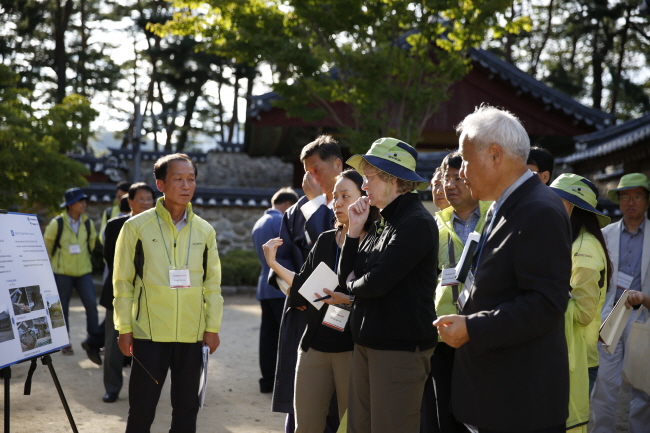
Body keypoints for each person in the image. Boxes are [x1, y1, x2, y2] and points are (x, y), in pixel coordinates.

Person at [434, 105, 572, 433]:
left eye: (466, 161)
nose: (461, 173)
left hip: (519, 401)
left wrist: (474, 327)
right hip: (498, 393)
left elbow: (546, 304)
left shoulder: (538, 209)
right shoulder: (506, 203)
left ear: (495, 155)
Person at [113, 153, 223, 433]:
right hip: (149, 334)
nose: (186, 185)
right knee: (141, 410)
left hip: (192, 335)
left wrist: (212, 327)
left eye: (191, 179)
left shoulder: (205, 231)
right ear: (160, 185)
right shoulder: (135, 227)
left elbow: (212, 284)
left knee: (187, 412)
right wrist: (124, 327)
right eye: (178, 179)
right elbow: (123, 281)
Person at [263, 170, 379, 433]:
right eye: (335, 196)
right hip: (314, 345)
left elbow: (378, 293)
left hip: (354, 348)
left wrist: (349, 299)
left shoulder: (377, 242)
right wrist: (274, 263)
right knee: (306, 425)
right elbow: (305, 287)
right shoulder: (326, 239)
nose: (337, 203)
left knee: (353, 425)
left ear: (365, 199)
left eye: (345, 196)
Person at [340, 137, 438, 433]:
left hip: (399, 349)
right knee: (360, 426)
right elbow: (349, 274)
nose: (364, 185)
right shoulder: (382, 221)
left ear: (393, 179)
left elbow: (376, 283)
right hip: (368, 342)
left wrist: (353, 285)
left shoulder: (416, 222)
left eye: (369, 177)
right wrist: (354, 231)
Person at [270, 135, 343, 433]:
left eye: (317, 169)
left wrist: (315, 204)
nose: (310, 178)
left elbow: (336, 253)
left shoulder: (355, 206)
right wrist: (296, 292)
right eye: (306, 171)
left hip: (338, 312)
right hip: (301, 312)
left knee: (337, 400)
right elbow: (281, 258)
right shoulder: (293, 212)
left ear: (338, 165)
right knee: (299, 398)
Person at [429, 151, 491, 433]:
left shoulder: (496, 219)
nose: (449, 184)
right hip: (444, 336)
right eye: (445, 178)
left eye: (457, 177)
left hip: (485, 331)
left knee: (485, 411)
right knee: (447, 414)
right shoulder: (434, 226)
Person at [549, 174, 612, 432]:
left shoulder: (584, 248)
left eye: (556, 201)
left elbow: (584, 313)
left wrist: (548, 297)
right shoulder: (577, 241)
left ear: (573, 207)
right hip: (571, 353)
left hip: (578, 358)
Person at [591, 173, 650, 433]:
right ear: (618, 201)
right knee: (605, 382)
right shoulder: (606, 234)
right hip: (612, 314)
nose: (631, 202)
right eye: (625, 196)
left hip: (642, 315)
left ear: (647, 201)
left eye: (637, 196)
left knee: (642, 385)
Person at [99, 183, 155, 403]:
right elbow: (109, 259)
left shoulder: (159, 227)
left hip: (150, 297)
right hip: (118, 294)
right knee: (114, 344)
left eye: (149, 199)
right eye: (141, 199)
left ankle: (144, 390)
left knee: (148, 346)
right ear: (129, 202)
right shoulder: (115, 226)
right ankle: (112, 387)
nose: (146, 203)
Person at [252, 187, 299, 394]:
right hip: (281, 285)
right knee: (287, 336)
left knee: (268, 336)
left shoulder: (259, 222)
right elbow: (290, 252)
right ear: (289, 205)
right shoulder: (280, 221)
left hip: (265, 283)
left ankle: (267, 381)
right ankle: (286, 383)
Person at [44, 187, 101, 356]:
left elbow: (91, 245)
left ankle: (94, 341)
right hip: (62, 272)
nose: (84, 204)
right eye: (80, 201)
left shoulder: (88, 223)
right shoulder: (57, 224)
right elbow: (47, 246)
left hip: (84, 272)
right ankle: (65, 342)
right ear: (70, 205)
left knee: (91, 305)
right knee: (62, 308)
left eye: (84, 201)